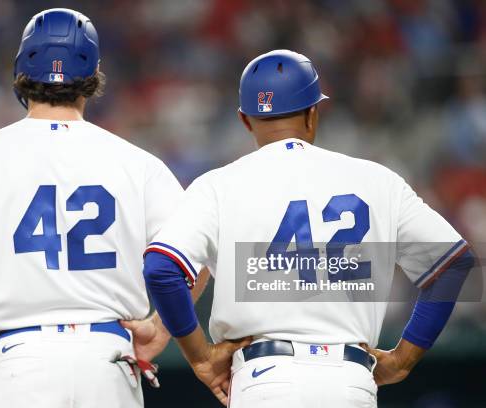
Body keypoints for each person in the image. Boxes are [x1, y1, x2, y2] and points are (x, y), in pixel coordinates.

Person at [0, 8, 197, 408]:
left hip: (18, 360)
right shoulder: (137, 162)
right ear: (93, 75)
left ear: (21, 71)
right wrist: (162, 325)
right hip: (106, 358)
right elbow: (197, 250)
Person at [142, 50, 475, 407]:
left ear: (245, 119)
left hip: (264, 379)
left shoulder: (217, 185)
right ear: (314, 111)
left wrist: (200, 357)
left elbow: (162, 269)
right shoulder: (378, 180)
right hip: (351, 381)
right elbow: (452, 264)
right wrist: (404, 358)